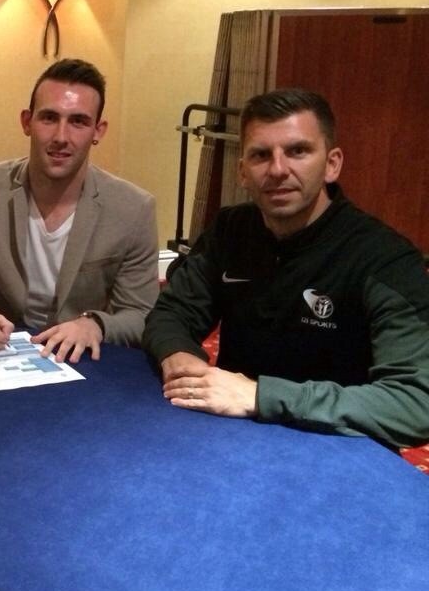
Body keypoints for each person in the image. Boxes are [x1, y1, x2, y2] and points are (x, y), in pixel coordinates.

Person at [143, 88, 429, 448]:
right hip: (232, 437)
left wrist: (262, 395)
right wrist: (179, 357)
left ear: (332, 163)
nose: (278, 170)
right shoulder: (231, 230)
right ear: (243, 172)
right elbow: (171, 314)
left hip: (337, 453)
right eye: (261, 155)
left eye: (298, 151)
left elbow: (416, 403)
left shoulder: (385, 258)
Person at [0, 58, 159, 362]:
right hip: (0, 353)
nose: (61, 137)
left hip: (84, 361)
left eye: (78, 121)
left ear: (98, 131)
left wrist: (96, 325)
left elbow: (143, 316)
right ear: (27, 122)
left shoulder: (134, 209)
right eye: (49, 118)